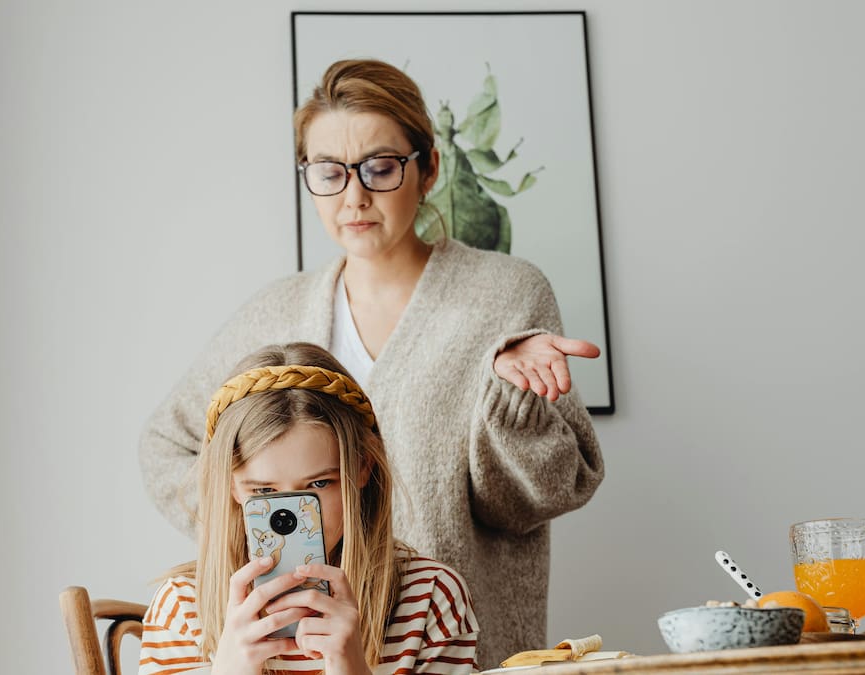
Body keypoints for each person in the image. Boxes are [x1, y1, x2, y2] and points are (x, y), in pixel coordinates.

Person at [139, 58, 604, 666]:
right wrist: (268, 516)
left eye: (381, 168)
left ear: (429, 168)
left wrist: (513, 403)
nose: (354, 196)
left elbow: (528, 501)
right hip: (284, 650)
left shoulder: (505, 296)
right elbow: (166, 446)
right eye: (329, 172)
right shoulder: (271, 313)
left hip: (435, 643)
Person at [139, 343, 478, 675]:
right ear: (231, 487)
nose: (291, 516)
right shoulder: (182, 610)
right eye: (264, 491)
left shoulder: (430, 598)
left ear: (363, 468)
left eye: (319, 484)